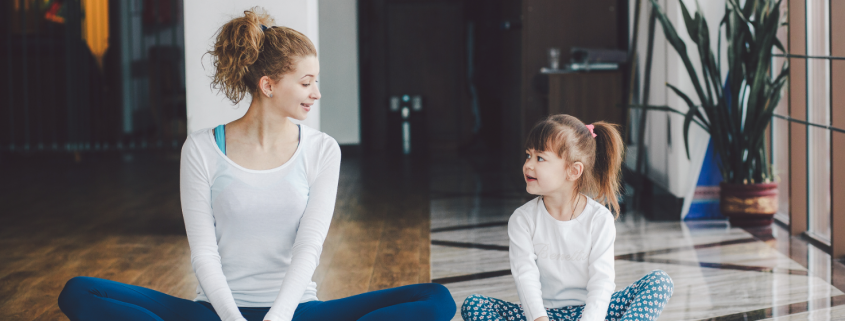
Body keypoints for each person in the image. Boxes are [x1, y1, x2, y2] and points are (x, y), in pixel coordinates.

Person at [57, 7, 456, 321]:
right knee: (78, 292)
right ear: (268, 85)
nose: (316, 93)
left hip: (296, 313)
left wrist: (279, 317)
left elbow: (309, 246)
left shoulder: (323, 150)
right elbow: (203, 253)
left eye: (316, 81)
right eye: (306, 82)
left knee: (435, 300)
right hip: (214, 313)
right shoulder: (200, 149)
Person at [461, 115, 673, 321]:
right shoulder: (522, 219)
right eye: (528, 155)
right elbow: (525, 277)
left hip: (592, 313)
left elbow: (602, 282)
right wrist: (539, 318)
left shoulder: (599, 219)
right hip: (544, 314)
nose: (528, 165)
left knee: (660, 282)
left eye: (540, 158)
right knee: (474, 304)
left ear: (573, 171)